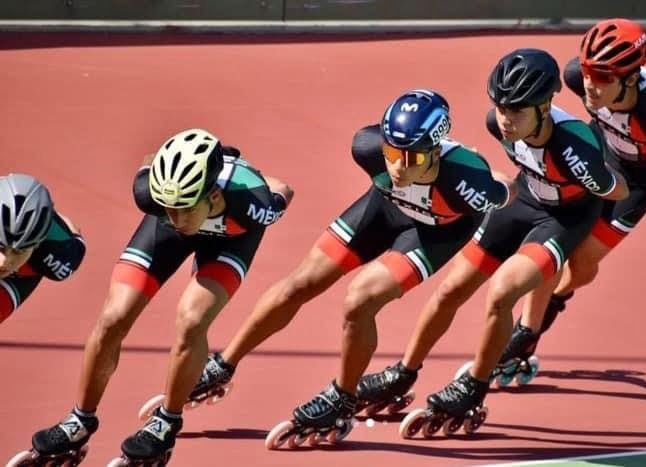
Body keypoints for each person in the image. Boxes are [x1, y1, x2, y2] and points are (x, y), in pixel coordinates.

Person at [177, 89, 514, 449]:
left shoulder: (466, 181)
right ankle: (224, 364)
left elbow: (504, 191)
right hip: (384, 209)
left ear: (435, 150)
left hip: (435, 231)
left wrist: (490, 176)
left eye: (412, 157)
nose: (399, 167)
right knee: (299, 284)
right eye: (392, 153)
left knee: (360, 299)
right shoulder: (367, 148)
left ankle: (342, 396)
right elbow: (391, 160)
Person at [355, 49, 630, 438]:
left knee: (501, 293)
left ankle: (473, 387)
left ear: (545, 106)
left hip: (564, 219)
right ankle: (403, 372)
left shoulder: (576, 145)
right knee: (451, 289)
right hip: (525, 200)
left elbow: (618, 191)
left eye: (517, 111)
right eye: (501, 108)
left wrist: (599, 182)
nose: (505, 119)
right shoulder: (495, 125)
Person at [9, 129, 293, 467]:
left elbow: (283, 189)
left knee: (192, 319)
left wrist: (244, 170)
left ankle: (166, 422)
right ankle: (79, 420)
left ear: (214, 195)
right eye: (169, 208)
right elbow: (153, 166)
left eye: (184, 209)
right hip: (164, 235)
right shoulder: (149, 195)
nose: (177, 218)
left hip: (230, 241)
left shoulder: (255, 204)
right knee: (113, 317)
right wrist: (174, 201)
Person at [499, 18, 646, 373]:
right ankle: (526, 331)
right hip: (600, 153)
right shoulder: (575, 78)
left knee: (582, 262)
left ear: (631, 78)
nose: (590, 85)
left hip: (642, 178)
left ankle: (558, 298)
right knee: (559, 241)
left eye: (603, 77)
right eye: (587, 72)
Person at [0, 173, 85, 324]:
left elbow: (76, 235)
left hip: (21, 275)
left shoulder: (60, 257)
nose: (4, 262)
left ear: (36, 245)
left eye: (19, 251)